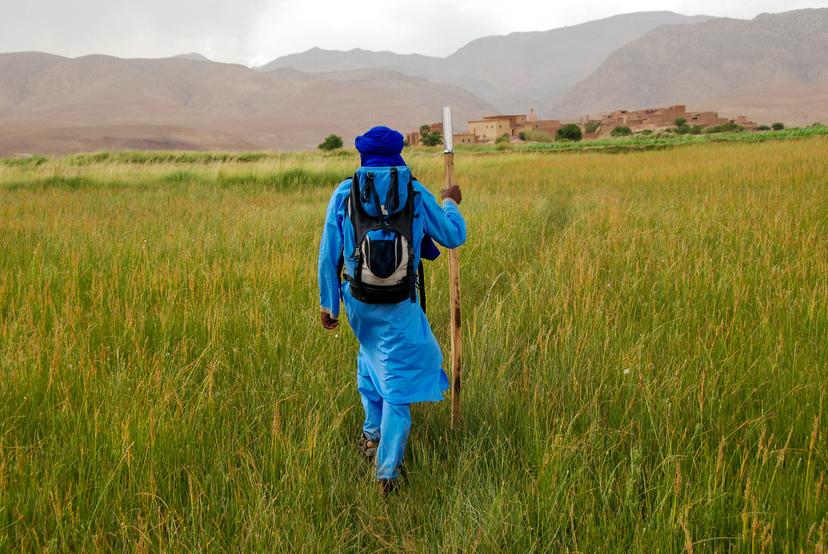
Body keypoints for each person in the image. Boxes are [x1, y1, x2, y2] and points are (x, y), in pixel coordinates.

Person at [317, 125, 466, 493]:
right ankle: (387, 473)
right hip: (400, 304)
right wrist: (449, 202)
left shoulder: (344, 192)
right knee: (398, 384)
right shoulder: (414, 191)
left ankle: (370, 435)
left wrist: (328, 304)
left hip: (357, 304)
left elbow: (327, 256)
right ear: (399, 152)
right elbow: (453, 236)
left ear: (362, 154)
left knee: (370, 358)